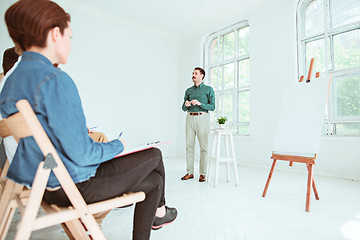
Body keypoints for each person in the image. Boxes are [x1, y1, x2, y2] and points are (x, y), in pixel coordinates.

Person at [0, 1, 177, 239]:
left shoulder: (11, 81)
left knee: (153, 181)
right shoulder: (54, 79)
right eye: (69, 36)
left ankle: (157, 212)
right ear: (55, 34)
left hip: (41, 184)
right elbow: (83, 154)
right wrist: (118, 146)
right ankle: (159, 212)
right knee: (154, 154)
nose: (70, 44)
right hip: (70, 186)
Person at [181, 67, 215, 182]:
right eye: (192, 73)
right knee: (189, 146)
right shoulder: (188, 91)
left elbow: (212, 107)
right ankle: (189, 172)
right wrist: (186, 105)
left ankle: (202, 174)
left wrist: (200, 103)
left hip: (202, 118)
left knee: (203, 147)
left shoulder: (208, 89)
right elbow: (182, 108)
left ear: (202, 76)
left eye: (196, 73)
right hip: (189, 118)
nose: (193, 75)